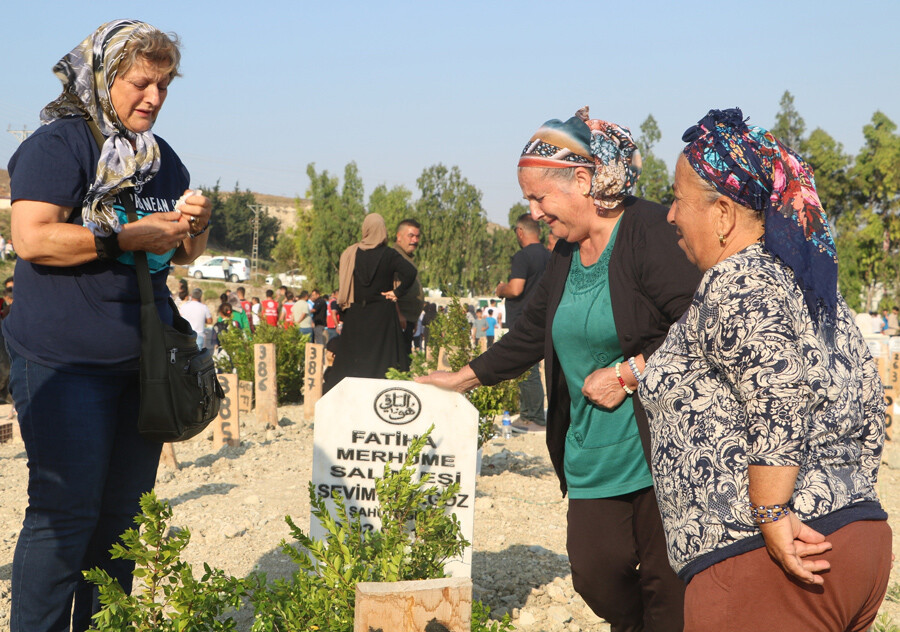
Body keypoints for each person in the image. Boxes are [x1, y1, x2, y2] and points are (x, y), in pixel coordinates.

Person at [417, 107, 700, 632]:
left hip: (659, 447)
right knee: (595, 575)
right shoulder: (566, 254)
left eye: (538, 196)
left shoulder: (648, 233)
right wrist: (462, 379)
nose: (533, 211)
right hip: (591, 451)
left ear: (583, 180)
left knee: (668, 585)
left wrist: (629, 374)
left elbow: (700, 323)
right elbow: (530, 335)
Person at [639, 108, 890, 632]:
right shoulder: (813, 291)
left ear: (724, 214)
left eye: (678, 199)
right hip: (855, 539)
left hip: (769, 563)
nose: (669, 215)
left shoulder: (740, 279)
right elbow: (869, 407)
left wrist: (772, 513)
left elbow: (780, 388)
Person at [4, 20, 211, 632]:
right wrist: (120, 238)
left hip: (141, 365)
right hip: (64, 364)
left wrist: (193, 227)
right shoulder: (60, 144)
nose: (153, 97)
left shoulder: (161, 159)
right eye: (142, 82)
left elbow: (179, 257)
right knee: (65, 514)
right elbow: (33, 237)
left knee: (122, 522)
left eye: (165, 86)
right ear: (104, 76)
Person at [324, 213, 416, 393]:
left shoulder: (351, 253)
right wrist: (397, 292)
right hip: (382, 315)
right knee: (384, 361)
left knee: (351, 361)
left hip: (356, 314)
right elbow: (410, 273)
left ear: (365, 229)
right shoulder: (390, 255)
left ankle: (347, 396)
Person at [497, 213, 551, 433]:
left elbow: (516, 289)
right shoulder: (550, 256)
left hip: (524, 319)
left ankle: (533, 417)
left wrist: (501, 289)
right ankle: (534, 414)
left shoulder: (523, 256)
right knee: (535, 369)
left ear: (520, 232)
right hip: (544, 316)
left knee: (527, 369)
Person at [393, 218, 425, 356]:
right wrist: (399, 314)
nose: (415, 240)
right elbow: (390, 289)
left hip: (408, 319)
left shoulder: (407, 257)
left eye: (417, 236)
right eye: (411, 235)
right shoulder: (394, 256)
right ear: (399, 236)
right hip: (399, 321)